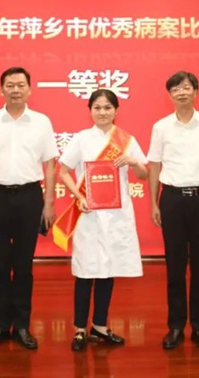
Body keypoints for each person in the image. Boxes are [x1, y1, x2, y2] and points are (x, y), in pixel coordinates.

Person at [0, 66, 59, 350]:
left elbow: (50, 165)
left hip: (30, 197)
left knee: (23, 266)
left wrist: (49, 204)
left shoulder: (41, 122)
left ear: (29, 89)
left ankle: (22, 326)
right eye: (10, 85)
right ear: (1, 89)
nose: (15, 90)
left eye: (20, 85)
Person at [56, 89, 148, 352]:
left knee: (108, 269)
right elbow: (63, 172)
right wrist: (78, 197)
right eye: (97, 107)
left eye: (108, 107)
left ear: (116, 110)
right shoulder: (81, 139)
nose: (102, 112)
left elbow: (143, 174)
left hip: (117, 214)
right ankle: (79, 329)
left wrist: (133, 161)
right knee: (86, 271)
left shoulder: (127, 140)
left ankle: (100, 326)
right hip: (89, 214)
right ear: (90, 110)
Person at [146, 71, 199, 351]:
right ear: (169, 95)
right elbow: (154, 166)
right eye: (175, 89)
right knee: (174, 267)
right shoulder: (161, 127)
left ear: (196, 91)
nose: (181, 93)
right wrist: (154, 203)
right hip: (172, 200)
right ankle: (175, 327)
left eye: (186, 87)